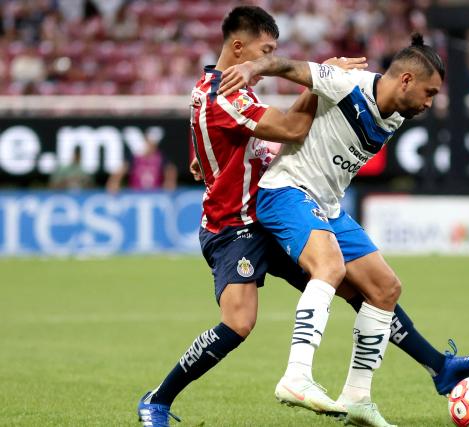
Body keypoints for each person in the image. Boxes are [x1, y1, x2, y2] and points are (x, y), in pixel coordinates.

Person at [219, 33, 469, 426]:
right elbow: (289, 67)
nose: (431, 103)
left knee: (385, 288)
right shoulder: (347, 84)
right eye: (429, 92)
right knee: (329, 267)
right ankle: (297, 376)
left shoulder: (396, 115)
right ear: (406, 81)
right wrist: (252, 66)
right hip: (286, 191)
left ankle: (358, 397)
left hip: (327, 207)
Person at [137, 7, 366, 426]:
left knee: (357, 285)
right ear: (238, 47)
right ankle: (157, 399)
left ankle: (435, 367)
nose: (269, 59)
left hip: (265, 217)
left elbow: (212, 145)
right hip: (233, 226)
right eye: (266, 50)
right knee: (239, 323)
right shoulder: (223, 91)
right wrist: (321, 79)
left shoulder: (219, 87)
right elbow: (293, 128)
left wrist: (204, 163)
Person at [106, 129, 177, 193]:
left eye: (152, 143)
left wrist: (169, 182)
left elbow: (170, 169)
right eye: (148, 142)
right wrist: (114, 182)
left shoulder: (161, 157)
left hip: (155, 193)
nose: (150, 145)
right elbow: (121, 170)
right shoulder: (135, 157)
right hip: (136, 193)